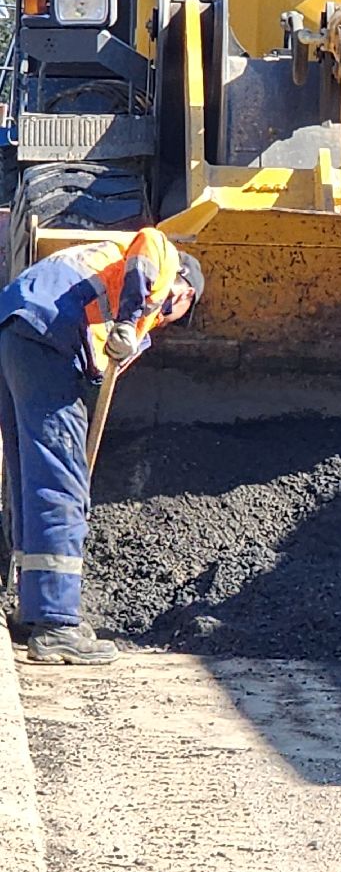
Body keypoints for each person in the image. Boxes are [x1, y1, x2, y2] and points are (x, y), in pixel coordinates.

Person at [0, 228, 204, 665]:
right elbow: (152, 240)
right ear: (186, 290)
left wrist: (129, 331)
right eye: (180, 312)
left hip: (18, 328)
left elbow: (97, 367)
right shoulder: (163, 267)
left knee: (31, 475)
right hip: (46, 335)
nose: (170, 322)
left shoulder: (107, 278)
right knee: (62, 483)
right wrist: (132, 321)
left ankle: (35, 610)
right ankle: (56, 625)